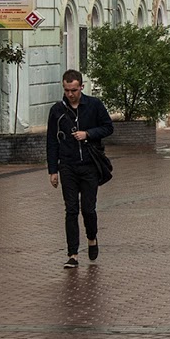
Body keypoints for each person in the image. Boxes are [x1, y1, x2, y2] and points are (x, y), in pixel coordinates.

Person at [46, 69, 114, 269]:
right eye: (67, 90)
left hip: (90, 165)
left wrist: (88, 134)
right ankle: (73, 254)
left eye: (74, 90)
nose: (70, 94)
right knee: (71, 210)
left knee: (88, 209)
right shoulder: (57, 111)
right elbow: (51, 141)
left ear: (81, 87)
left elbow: (108, 127)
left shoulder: (94, 105)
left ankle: (92, 238)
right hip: (67, 166)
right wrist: (53, 170)